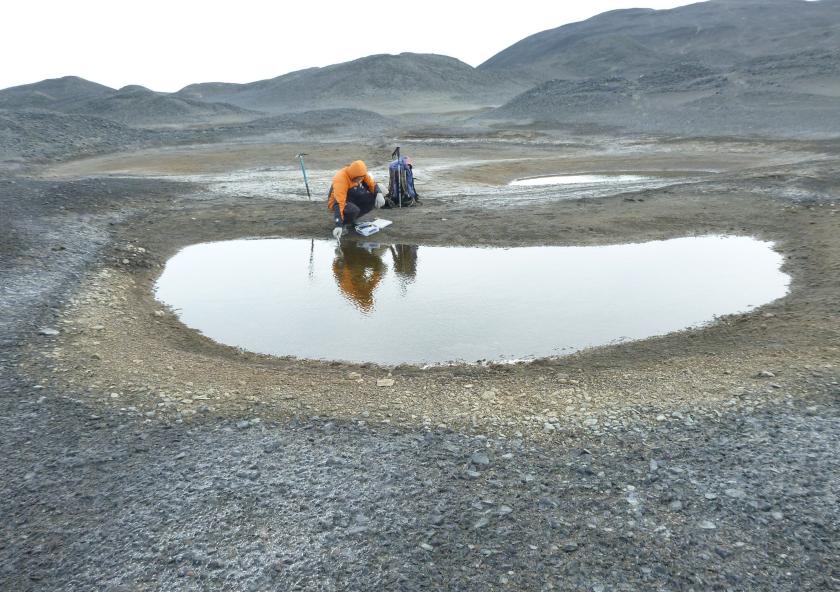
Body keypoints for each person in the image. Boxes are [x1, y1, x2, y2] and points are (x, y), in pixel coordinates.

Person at [327, 160, 385, 240]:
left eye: (361, 179)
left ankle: (352, 220)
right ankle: (344, 224)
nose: (359, 181)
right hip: (336, 201)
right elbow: (339, 203)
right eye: (357, 179)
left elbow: (372, 184)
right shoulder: (341, 178)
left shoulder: (362, 174)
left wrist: (379, 193)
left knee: (372, 200)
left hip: (350, 196)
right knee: (353, 210)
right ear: (353, 175)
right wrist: (338, 225)